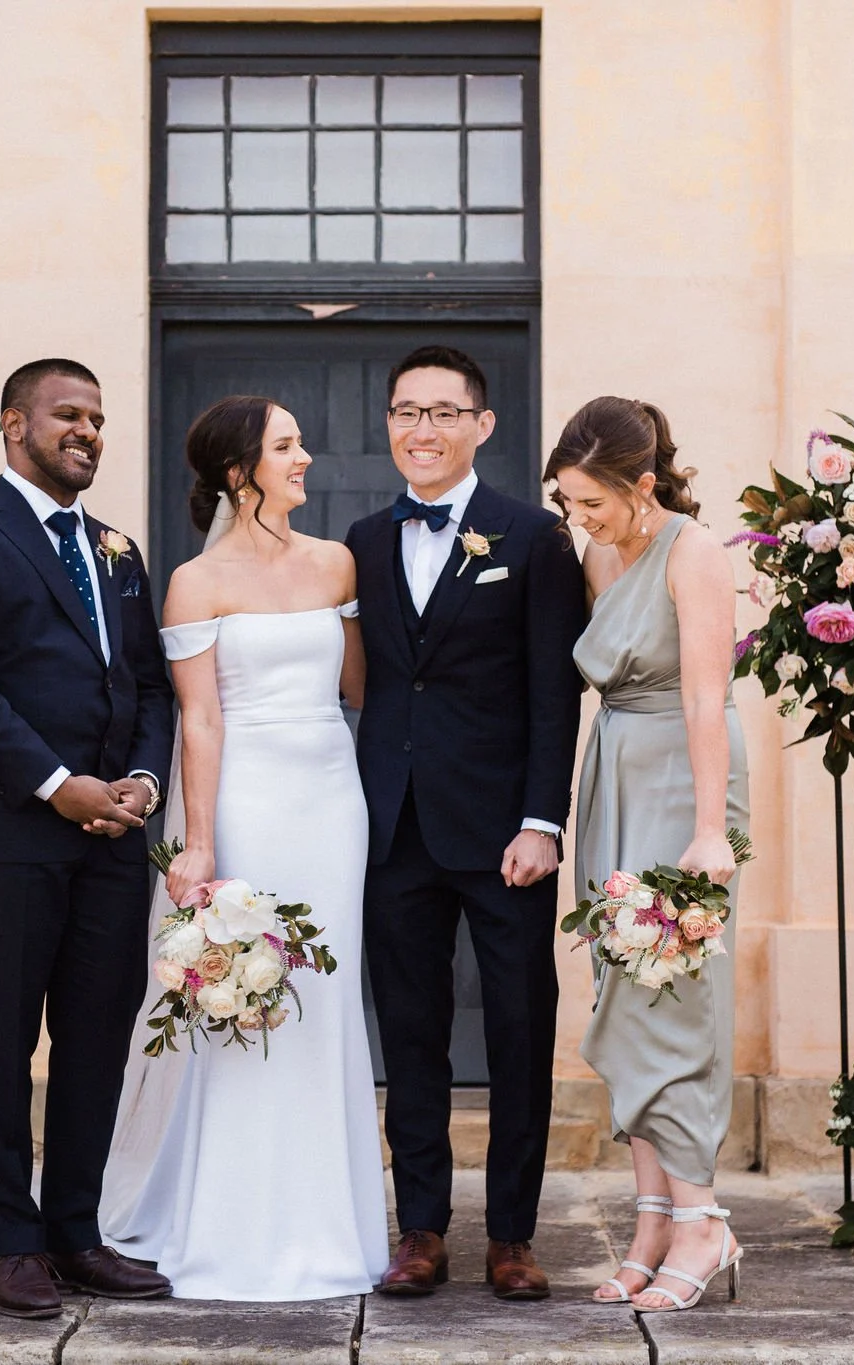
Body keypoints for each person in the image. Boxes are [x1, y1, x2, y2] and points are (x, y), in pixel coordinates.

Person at [0, 358, 175, 1320]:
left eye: (98, 418)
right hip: (2, 830)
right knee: (2, 1036)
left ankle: (75, 1232)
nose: (88, 431)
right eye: (69, 414)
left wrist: (141, 779)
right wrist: (59, 787)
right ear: (14, 422)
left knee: (99, 1035)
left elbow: (146, 683)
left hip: (111, 835)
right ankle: (11, 1241)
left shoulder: (116, 549)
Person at [100, 395, 388, 1300]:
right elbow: (201, 716)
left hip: (333, 801)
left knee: (327, 996)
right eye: (287, 445)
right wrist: (197, 842)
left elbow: (356, 687)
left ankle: (328, 1217)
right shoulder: (195, 581)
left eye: (302, 441)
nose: (305, 458)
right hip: (248, 802)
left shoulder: (337, 561)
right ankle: (233, 1217)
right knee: (250, 989)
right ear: (241, 471)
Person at [344, 346, 588, 1301]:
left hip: (503, 834)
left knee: (523, 1030)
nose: (423, 430)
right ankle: (423, 1230)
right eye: (407, 411)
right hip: (393, 829)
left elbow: (551, 695)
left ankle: (515, 1236)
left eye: (444, 412)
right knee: (410, 1034)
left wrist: (542, 820)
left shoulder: (532, 538)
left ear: (483, 426)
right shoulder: (360, 538)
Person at [545, 396, 747, 1314]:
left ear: (644, 486)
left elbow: (709, 700)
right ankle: (654, 1217)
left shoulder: (695, 553)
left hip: (683, 780)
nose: (579, 520)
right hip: (615, 777)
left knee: (677, 996)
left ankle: (706, 1219)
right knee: (627, 994)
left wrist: (711, 830)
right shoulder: (597, 553)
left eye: (592, 502)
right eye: (568, 503)